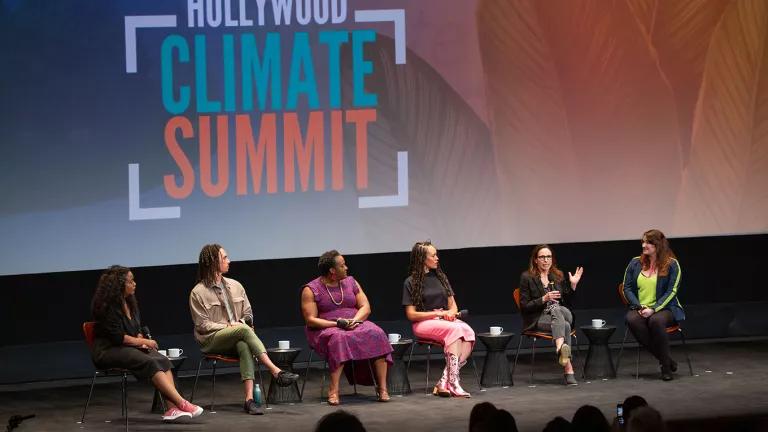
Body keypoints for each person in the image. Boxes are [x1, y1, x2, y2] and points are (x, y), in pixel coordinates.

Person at [189, 244, 299, 415]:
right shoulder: (198, 292)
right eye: (224, 257)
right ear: (212, 262)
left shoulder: (236, 285)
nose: (229, 261)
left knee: (244, 344)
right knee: (243, 330)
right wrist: (229, 326)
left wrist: (240, 323)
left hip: (237, 336)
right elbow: (202, 325)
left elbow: (248, 314)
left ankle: (249, 400)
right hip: (212, 339)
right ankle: (275, 371)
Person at [90, 266, 203, 422]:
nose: (135, 283)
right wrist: (144, 341)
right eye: (131, 281)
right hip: (108, 351)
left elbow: (134, 329)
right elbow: (118, 338)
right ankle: (182, 403)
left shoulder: (130, 303)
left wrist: (139, 337)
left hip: (126, 348)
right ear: (119, 285)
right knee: (150, 361)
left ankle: (172, 409)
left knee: (163, 360)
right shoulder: (107, 307)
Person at [301, 250, 393, 405]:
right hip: (326, 327)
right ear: (332, 271)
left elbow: (365, 307)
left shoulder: (351, 282)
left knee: (377, 333)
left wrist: (354, 321)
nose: (347, 268)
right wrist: (338, 323)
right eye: (342, 265)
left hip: (354, 322)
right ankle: (334, 389)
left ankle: (382, 388)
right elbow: (311, 320)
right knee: (339, 338)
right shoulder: (311, 289)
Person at [403, 241, 475, 397]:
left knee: (468, 332)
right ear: (422, 258)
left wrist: (449, 313)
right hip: (423, 323)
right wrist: (438, 315)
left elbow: (453, 306)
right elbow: (411, 314)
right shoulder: (411, 282)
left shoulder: (441, 277)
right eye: (433, 255)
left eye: (437, 255)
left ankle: (443, 382)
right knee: (456, 330)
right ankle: (454, 383)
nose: (437, 258)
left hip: (443, 321)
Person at [622, 229, 684, 381]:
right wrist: (639, 306)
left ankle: (665, 368)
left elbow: (672, 291)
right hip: (640, 308)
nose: (644, 245)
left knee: (655, 321)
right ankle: (667, 361)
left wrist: (654, 308)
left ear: (658, 245)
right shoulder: (635, 262)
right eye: (643, 242)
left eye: (648, 242)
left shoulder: (672, 264)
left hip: (666, 308)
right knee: (632, 320)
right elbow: (626, 288)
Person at [518, 244, 584, 385]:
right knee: (565, 325)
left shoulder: (557, 275)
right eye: (542, 257)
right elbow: (524, 307)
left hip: (563, 313)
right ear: (535, 260)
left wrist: (573, 286)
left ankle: (559, 349)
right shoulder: (527, 277)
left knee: (557, 309)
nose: (546, 260)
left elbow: (568, 302)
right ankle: (568, 370)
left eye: (548, 257)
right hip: (539, 318)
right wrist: (544, 299)